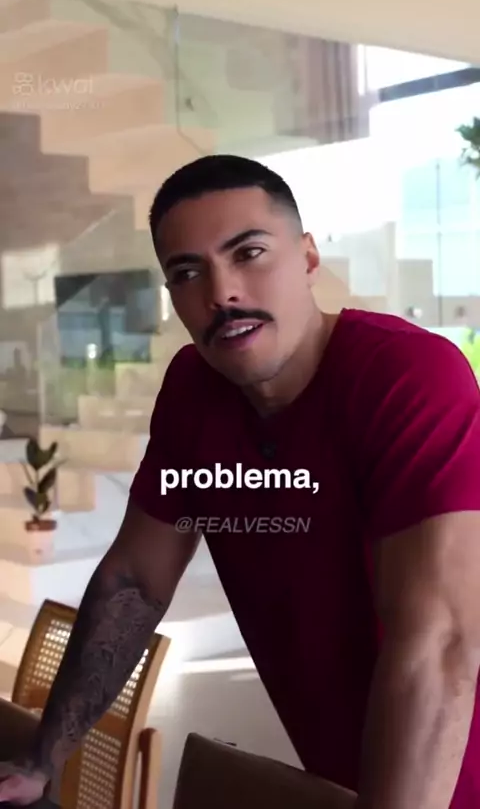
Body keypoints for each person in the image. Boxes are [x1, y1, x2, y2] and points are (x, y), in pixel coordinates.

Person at [1, 154, 480, 808]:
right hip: (344, 774)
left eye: (248, 253)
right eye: (187, 272)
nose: (221, 292)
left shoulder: (406, 376)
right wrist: (40, 762)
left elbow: (440, 641)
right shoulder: (194, 394)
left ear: (308, 257)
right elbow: (135, 584)